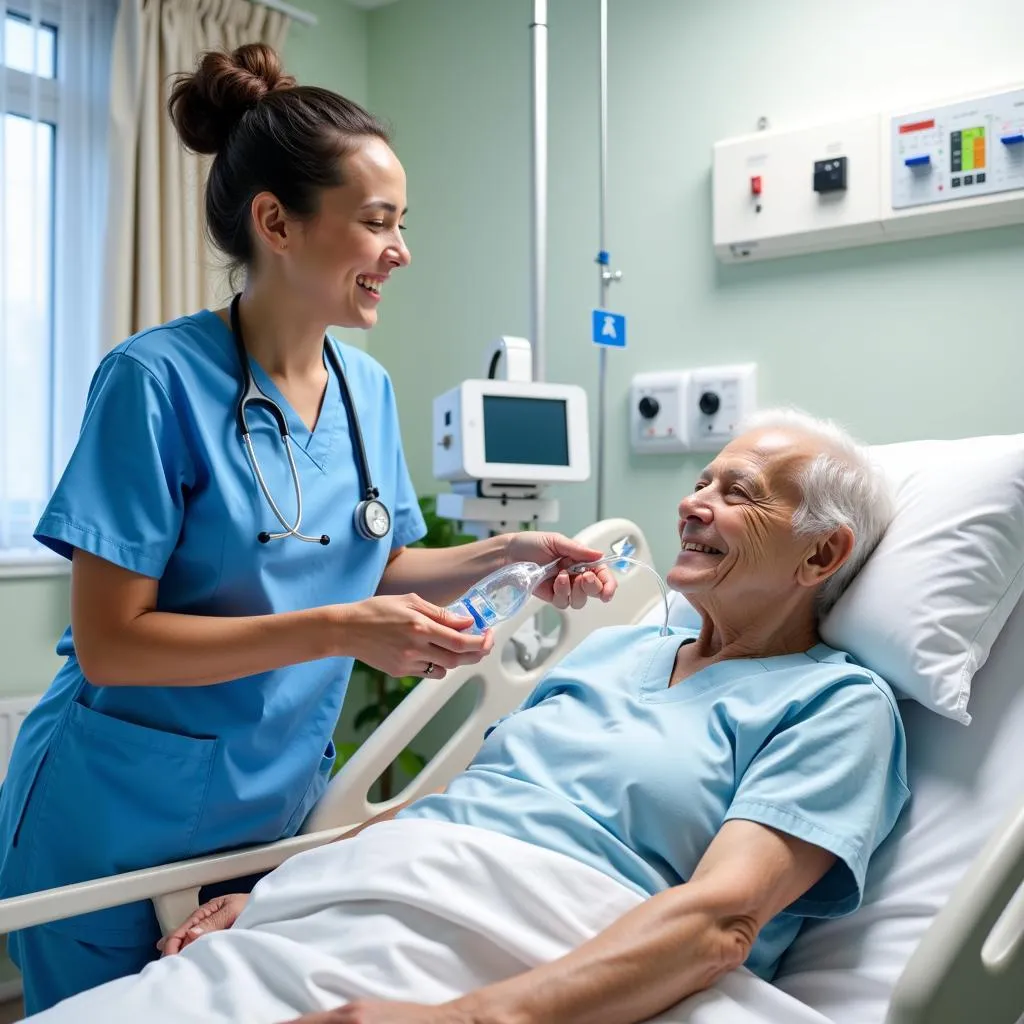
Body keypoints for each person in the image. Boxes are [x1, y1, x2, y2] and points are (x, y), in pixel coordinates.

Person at [0, 43, 615, 1016]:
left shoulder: (364, 390)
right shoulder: (152, 383)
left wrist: (508, 554)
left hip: (268, 812)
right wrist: (340, 626)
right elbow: (115, 645)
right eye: (376, 222)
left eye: (402, 223)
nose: (400, 250)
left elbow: (381, 560)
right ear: (276, 222)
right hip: (115, 811)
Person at [24, 410, 909, 1024]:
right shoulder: (613, 650)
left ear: (822, 552)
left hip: (534, 953)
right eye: (701, 478)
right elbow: (450, 808)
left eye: (739, 491)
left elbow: (722, 922)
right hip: (371, 906)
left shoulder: (836, 706)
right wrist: (263, 894)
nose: (693, 500)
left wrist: (462, 1019)